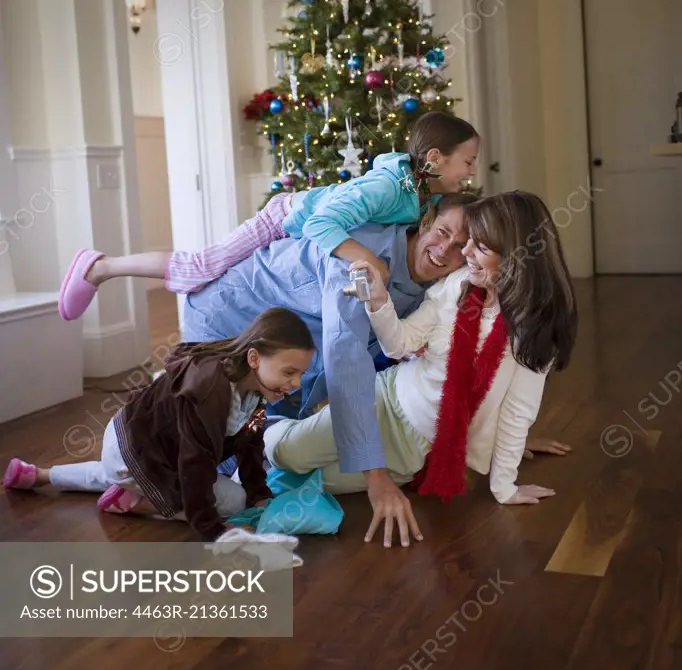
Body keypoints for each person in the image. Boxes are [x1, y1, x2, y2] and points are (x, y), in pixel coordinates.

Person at [263, 191, 578, 548]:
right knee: (286, 455)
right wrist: (380, 303)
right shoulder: (455, 287)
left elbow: (517, 412)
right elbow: (399, 345)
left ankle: (288, 451)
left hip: (416, 450)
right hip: (386, 400)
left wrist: (505, 486)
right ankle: (268, 428)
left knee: (309, 478)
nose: (466, 254)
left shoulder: (533, 331)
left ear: (516, 257)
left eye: (480, 248)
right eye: (468, 242)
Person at [183, 193, 473, 547]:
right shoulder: (361, 256)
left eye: (460, 246)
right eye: (442, 232)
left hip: (287, 360)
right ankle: (134, 462)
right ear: (426, 222)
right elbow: (346, 359)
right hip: (227, 319)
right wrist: (376, 478)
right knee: (210, 471)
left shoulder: (436, 287)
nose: (445, 250)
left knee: (251, 460)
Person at [57, 112, 479, 320]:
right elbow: (319, 224)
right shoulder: (387, 186)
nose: (472, 171)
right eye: (468, 161)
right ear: (436, 157)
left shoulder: (420, 198)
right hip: (283, 218)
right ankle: (102, 266)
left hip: (301, 231)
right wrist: (364, 259)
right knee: (198, 270)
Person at [3, 309, 315, 542]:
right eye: (289, 372)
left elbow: (250, 440)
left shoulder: (257, 389)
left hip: (130, 444)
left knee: (117, 472)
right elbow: (194, 467)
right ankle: (138, 503)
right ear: (254, 358)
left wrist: (259, 492)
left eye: (300, 374)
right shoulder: (210, 392)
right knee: (232, 501)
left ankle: (39, 476)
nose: (295, 383)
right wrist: (214, 530)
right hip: (135, 455)